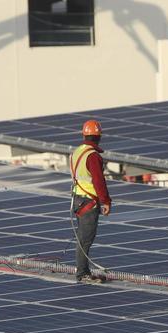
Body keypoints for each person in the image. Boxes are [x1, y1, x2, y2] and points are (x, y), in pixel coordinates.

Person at [70, 119, 112, 282]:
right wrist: (106, 201)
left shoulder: (77, 152)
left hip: (78, 199)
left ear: (84, 135)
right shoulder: (93, 156)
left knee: (83, 238)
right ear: (99, 136)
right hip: (89, 201)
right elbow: (98, 181)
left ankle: (83, 270)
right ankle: (82, 273)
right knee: (85, 239)